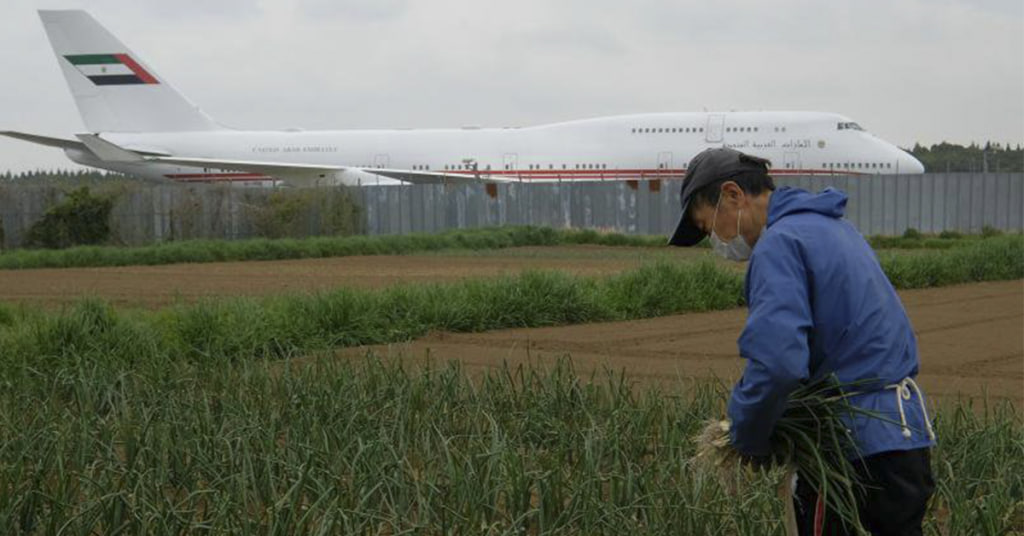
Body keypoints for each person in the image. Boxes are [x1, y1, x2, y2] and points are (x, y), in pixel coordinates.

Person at [668, 147, 935, 536]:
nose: (718, 240)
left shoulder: (779, 244)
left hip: (851, 456)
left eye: (710, 227)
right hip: (904, 443)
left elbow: (777, 364)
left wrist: (746, 433)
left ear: (732, 195)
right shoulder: (835, 229)